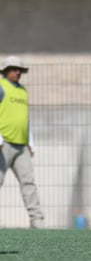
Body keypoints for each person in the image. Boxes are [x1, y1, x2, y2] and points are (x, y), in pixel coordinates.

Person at [0, 56, 44, 228]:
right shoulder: (1, 87)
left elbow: (24, 119)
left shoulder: (22, 90)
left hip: (21, 146)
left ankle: (37, 220)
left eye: (19, 69)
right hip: (4, 145)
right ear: (6, 70)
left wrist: (30, 142)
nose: (17, 72)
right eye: (13, 69)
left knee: (28, 182)